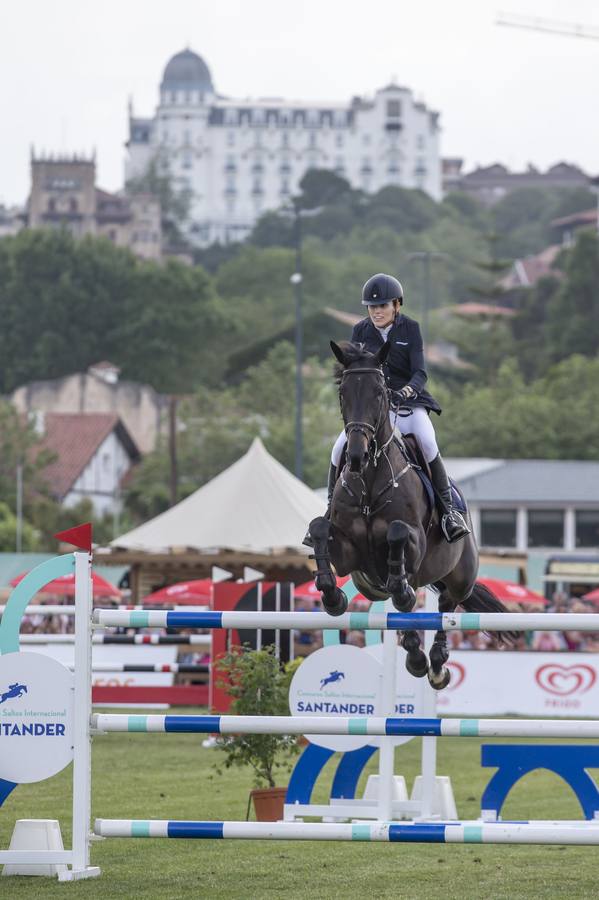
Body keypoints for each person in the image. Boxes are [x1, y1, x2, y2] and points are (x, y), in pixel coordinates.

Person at [327, 272, 470, 543]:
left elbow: (420, 373)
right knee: (338, 449)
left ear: (396, 305)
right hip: (375, 411)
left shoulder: (410, 329)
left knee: (427, 443)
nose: (377, 311)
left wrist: (406, 391)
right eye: (372, 306)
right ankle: (328, 511)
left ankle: (449, 513)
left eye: (382, 306)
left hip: (409, 405)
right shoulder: (360, 330)